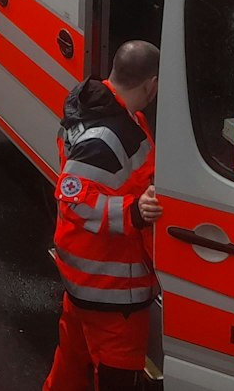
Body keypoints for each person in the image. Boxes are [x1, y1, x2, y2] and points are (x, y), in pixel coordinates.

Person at [43, 40, 162, 391]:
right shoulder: (109, 136)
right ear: (151, 84)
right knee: (117, 378)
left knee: (71, 368)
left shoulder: (103, 111)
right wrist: (134, 212)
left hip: (86, 279)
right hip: (111, 292)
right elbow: (73, 199)